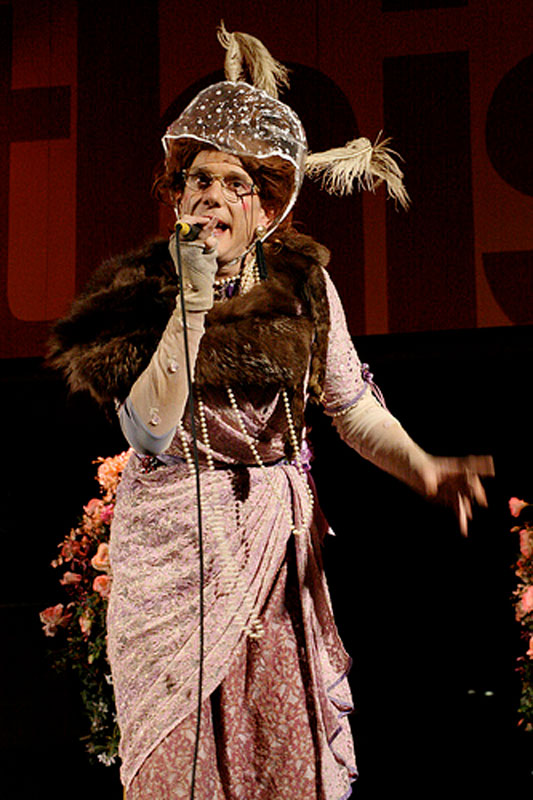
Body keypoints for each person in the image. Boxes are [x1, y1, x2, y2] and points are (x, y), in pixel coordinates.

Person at [49, 25, 494, 800]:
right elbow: (146, 429)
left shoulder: (302, 287)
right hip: (170, 550)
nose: (210, 194)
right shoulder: (139, 293)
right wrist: (189, 304)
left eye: (234, 182)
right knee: (175, 756)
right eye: (196, 178)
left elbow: (350, 405)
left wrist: (420, 466)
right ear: (176, 196)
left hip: (271, 548)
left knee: (275, 754)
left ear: (266, 208)